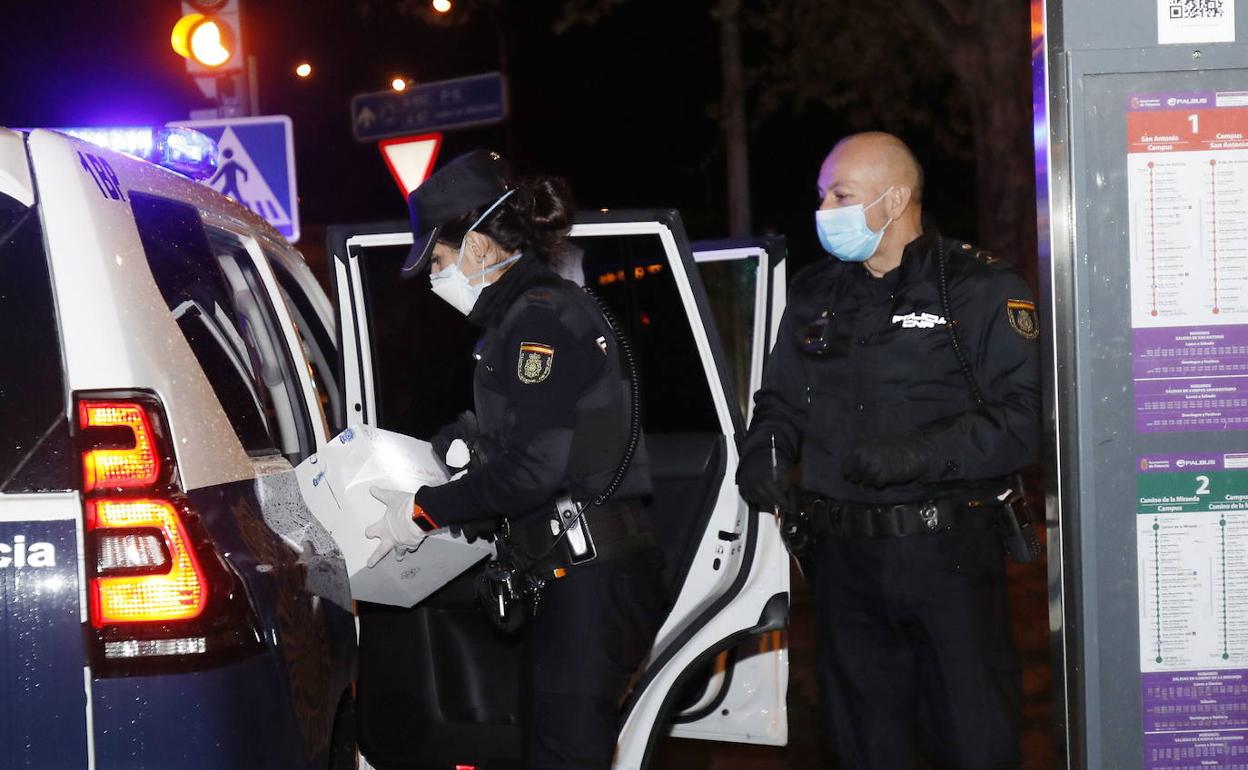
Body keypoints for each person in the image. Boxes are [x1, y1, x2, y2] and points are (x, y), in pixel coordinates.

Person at [737, 132, 1042, 769]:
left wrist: (914, 455)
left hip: (948, 558)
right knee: (863, 746)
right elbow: (782, 398)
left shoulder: (978, 288)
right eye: (821, 195)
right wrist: (766, 448)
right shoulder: (817, 293)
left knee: (973, 742)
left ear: (896, 197)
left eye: (840, 194)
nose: (824, 210)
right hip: (845, 564)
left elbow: (1023, 420)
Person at [365, 150, 665, 770]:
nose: (433, 278)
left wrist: (424, 511)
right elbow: (536, 446)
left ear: (476, 247)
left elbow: (534, 471)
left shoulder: (539, 320)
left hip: (589, 579)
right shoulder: (523, 317)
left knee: (562, 756)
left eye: (440, 261)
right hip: (569, 576)